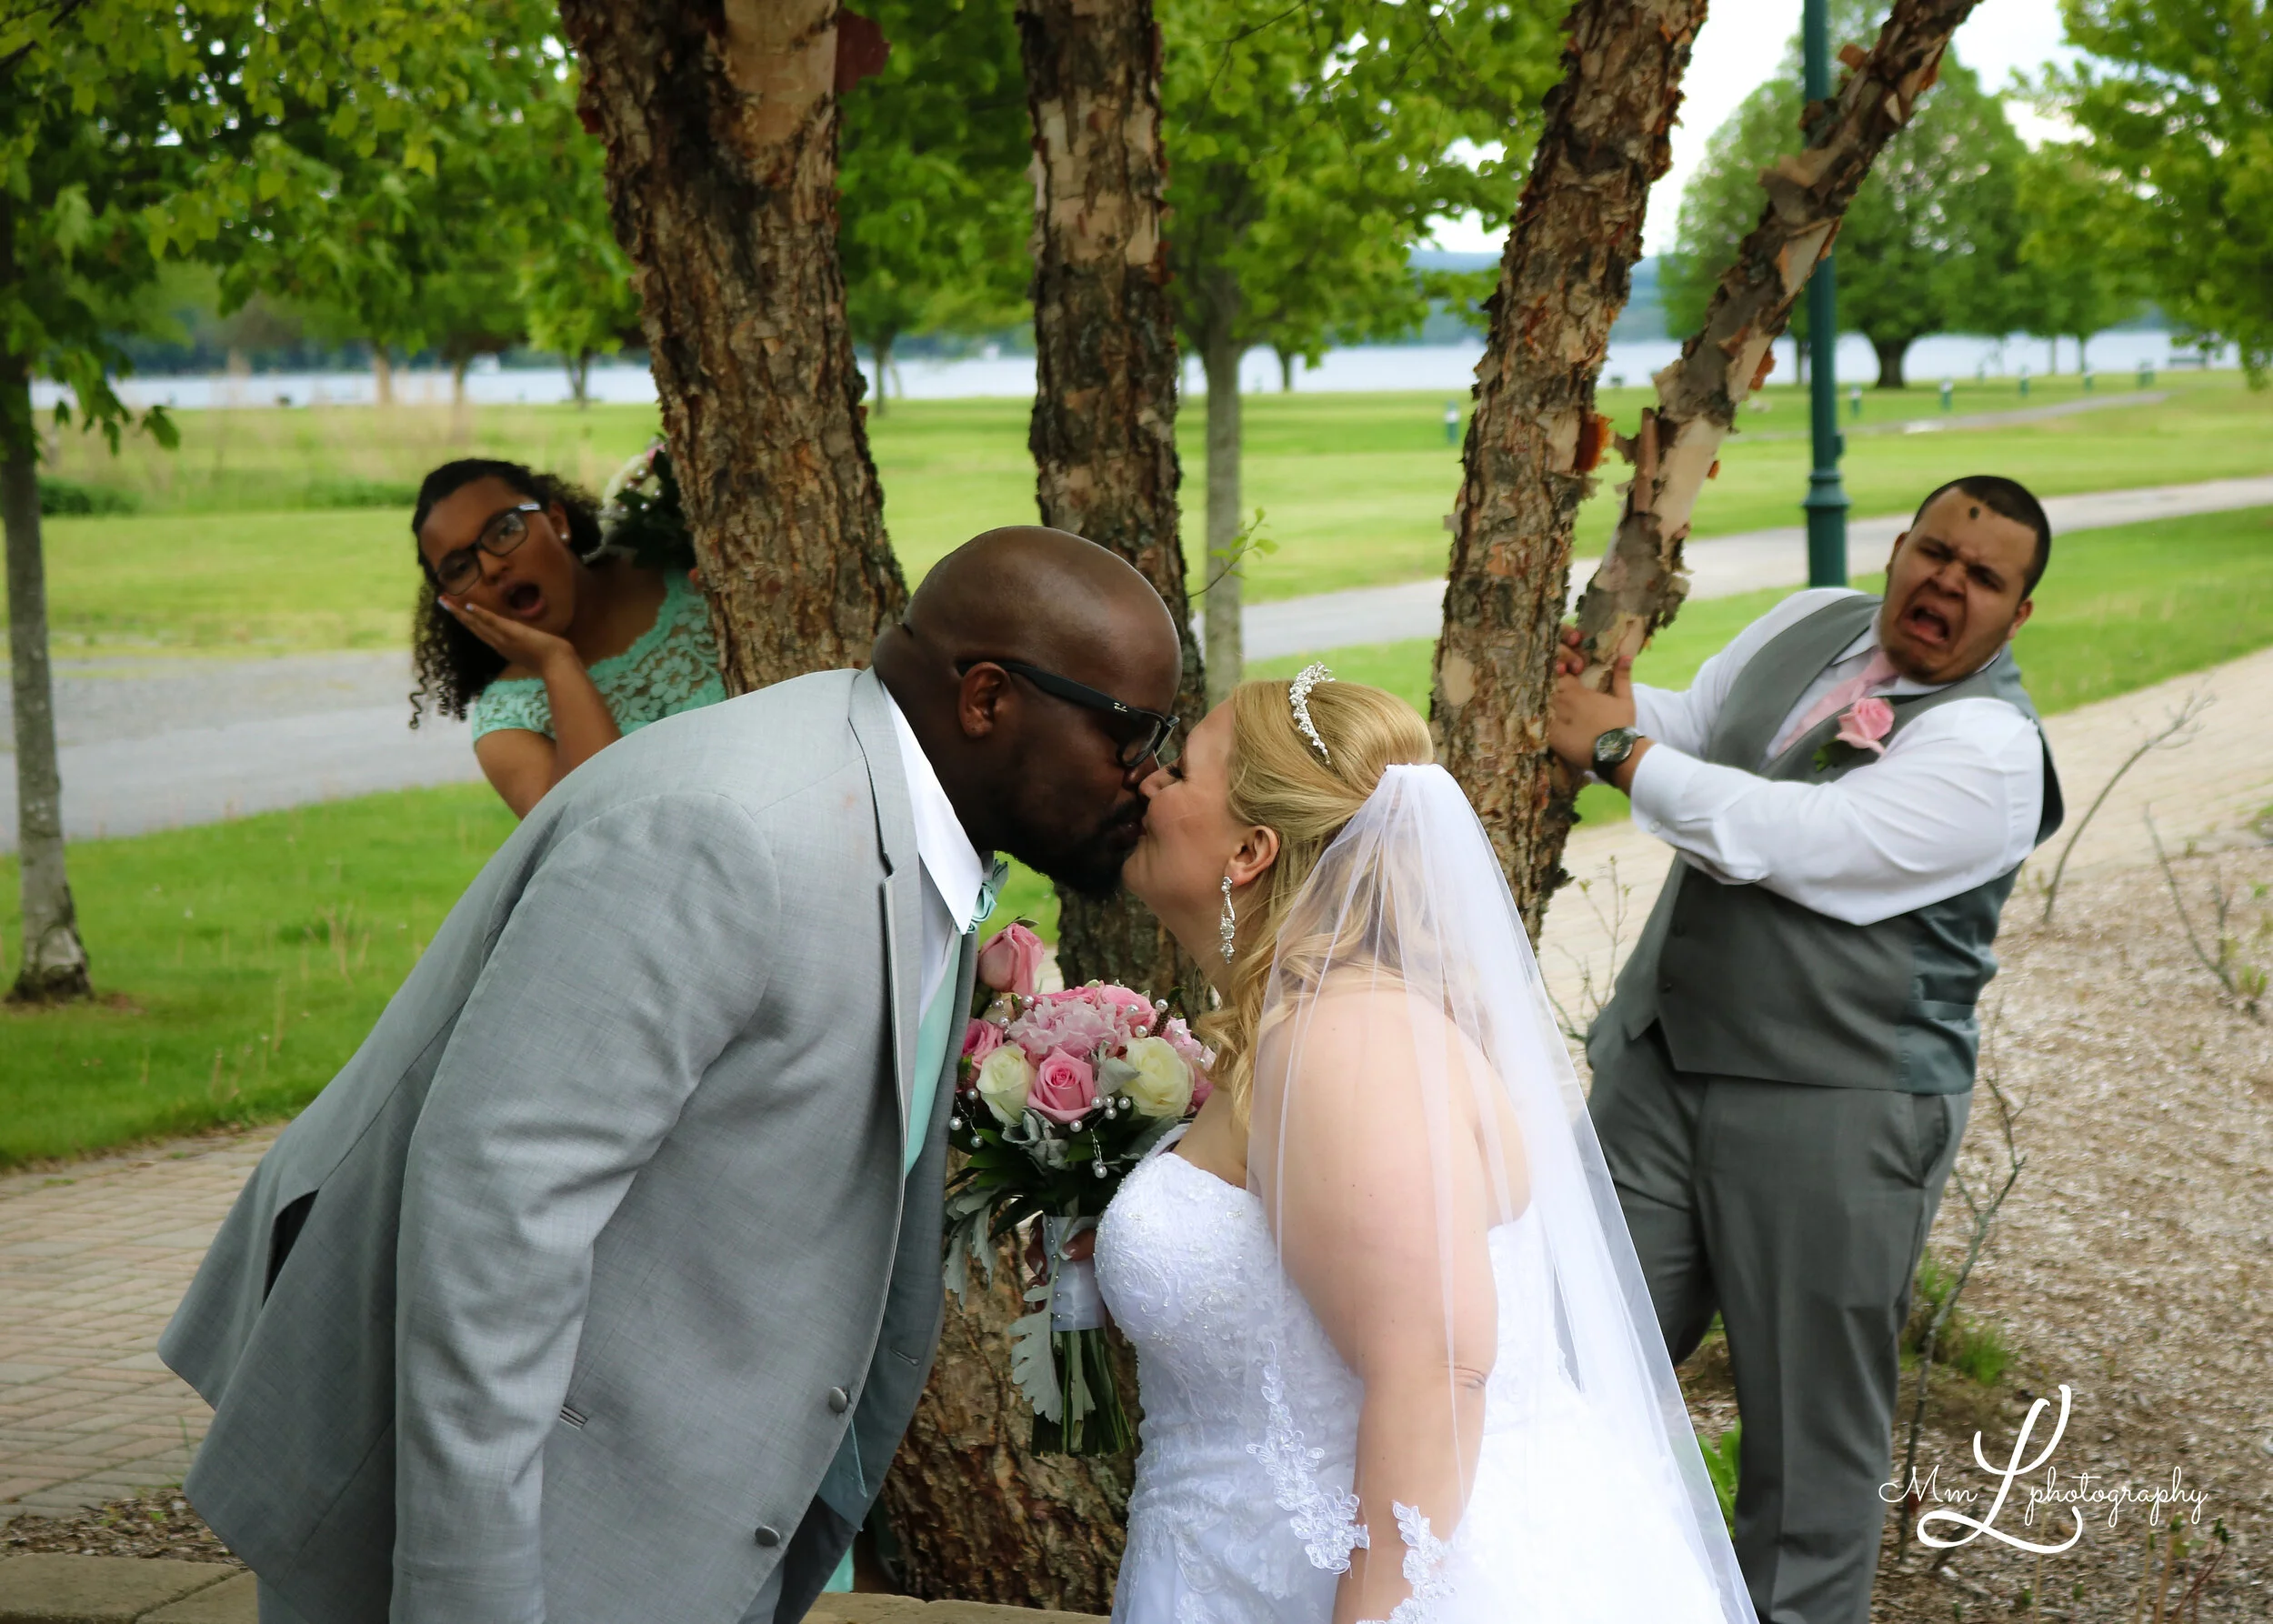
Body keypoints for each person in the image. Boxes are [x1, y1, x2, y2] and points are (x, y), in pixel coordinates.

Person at [159, 526, 1184, 1624]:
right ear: (986, 698)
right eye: (1128, 734)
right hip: (456, 1503)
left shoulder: (897, 807)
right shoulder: (733, 832)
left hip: (635, 1500)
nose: (1150, 777)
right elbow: (494, 1217)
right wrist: (471, 1600)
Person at [1092, 669, 1754, 1623]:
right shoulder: (1309, 1028)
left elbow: (1437, 1368)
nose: (1149, 783)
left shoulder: (1343, 1039)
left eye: (1183, 769)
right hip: (1226, 1568)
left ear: (1250, 850)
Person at [1545, 475, 2067, 1624]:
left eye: (1983, 578)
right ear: (1899, 547)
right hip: (1661, 1070)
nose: (1947, 583)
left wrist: (1615, 749)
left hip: (1838, 1114)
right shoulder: (1811, 621)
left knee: (1805, 1461)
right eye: (1935, 552)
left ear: (2017, 614)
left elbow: (1799, 838)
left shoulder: (1991, 749)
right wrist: (1600, 704)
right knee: (1562, 1362)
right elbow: (1704, 731)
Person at [408, 456, 726, 818]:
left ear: (557, 522)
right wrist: (556, 663)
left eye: (504, 530)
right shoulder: (507, 726)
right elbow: (599, 827)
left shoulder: (676, 564)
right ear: (453, 603)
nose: (493, 567)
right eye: (460, 568)